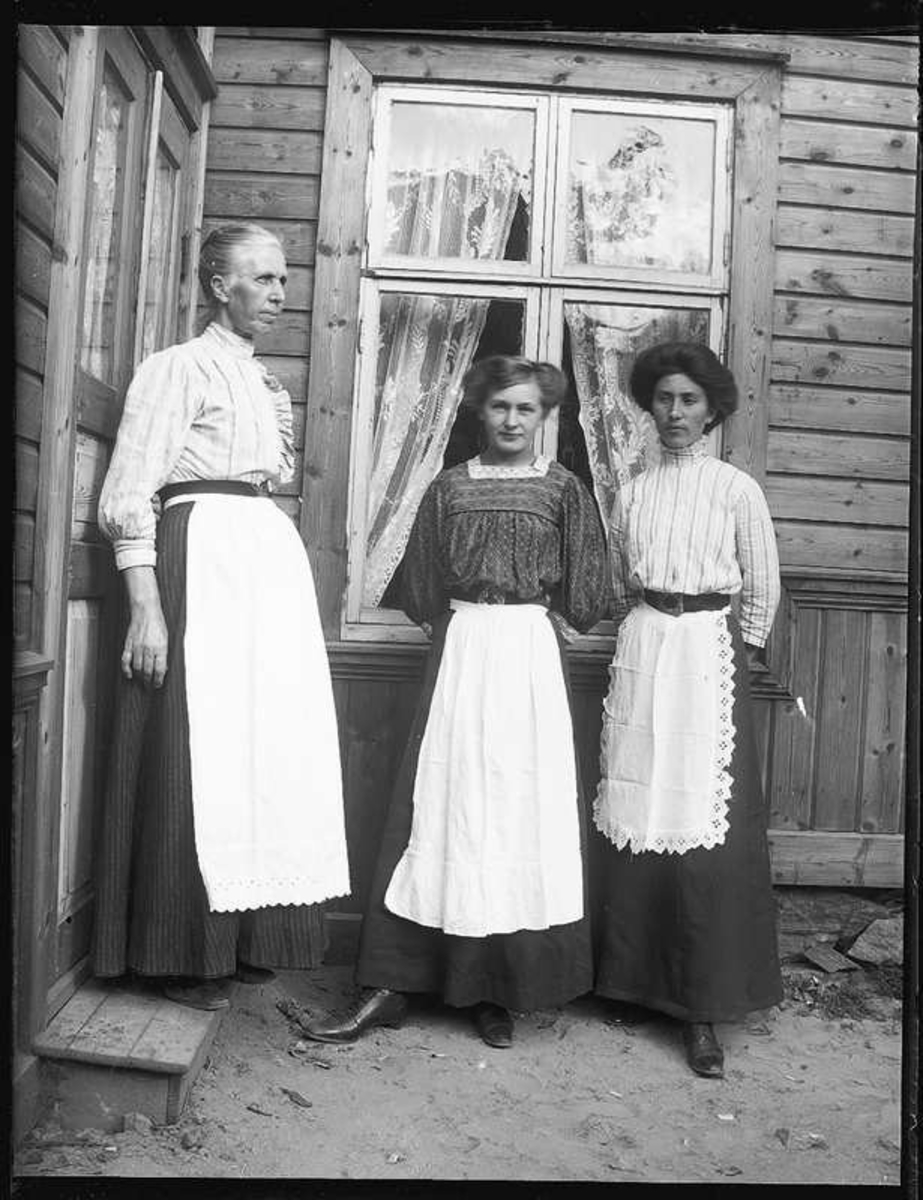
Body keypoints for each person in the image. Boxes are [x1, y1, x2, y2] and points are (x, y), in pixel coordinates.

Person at [303, 356, 609, 1048]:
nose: (512, 420)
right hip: (463, 648)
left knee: (515, 808)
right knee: (446, 803)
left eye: (525, 408)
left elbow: (589, 590)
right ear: (480, 410)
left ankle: (495, 990)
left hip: (529, 656)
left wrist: (534, 621)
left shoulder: (563, 489)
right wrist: (468, 626)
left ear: (544, 416)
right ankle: (395, 983)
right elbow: (420, 587)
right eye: (500, 406)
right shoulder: (449, 487)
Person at [92, 223, 351, 1010]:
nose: (278, 293)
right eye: (262, 278)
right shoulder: (177, 368)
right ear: (217, 285)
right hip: (198, 556)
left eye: (283, 280)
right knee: (194, 742)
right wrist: (146, 609)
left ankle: (240, 940)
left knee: (260, 749)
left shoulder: (262, 381)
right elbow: (127, 493)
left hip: (260, 564)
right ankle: (175, 954)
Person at [592, 341, 782, 1077]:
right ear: (650, 406)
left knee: (703, 823)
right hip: (645, 645)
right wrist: (641, 631)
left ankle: (700, 1003)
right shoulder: (633, 492)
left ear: (712, 410)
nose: (674, 413)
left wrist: (738, 651)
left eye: (689, 401)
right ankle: (632, 982)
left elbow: (760, 587)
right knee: (637, 806)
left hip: (707, 651)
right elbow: (618, 580)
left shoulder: (736, 489)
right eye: (664, 399)